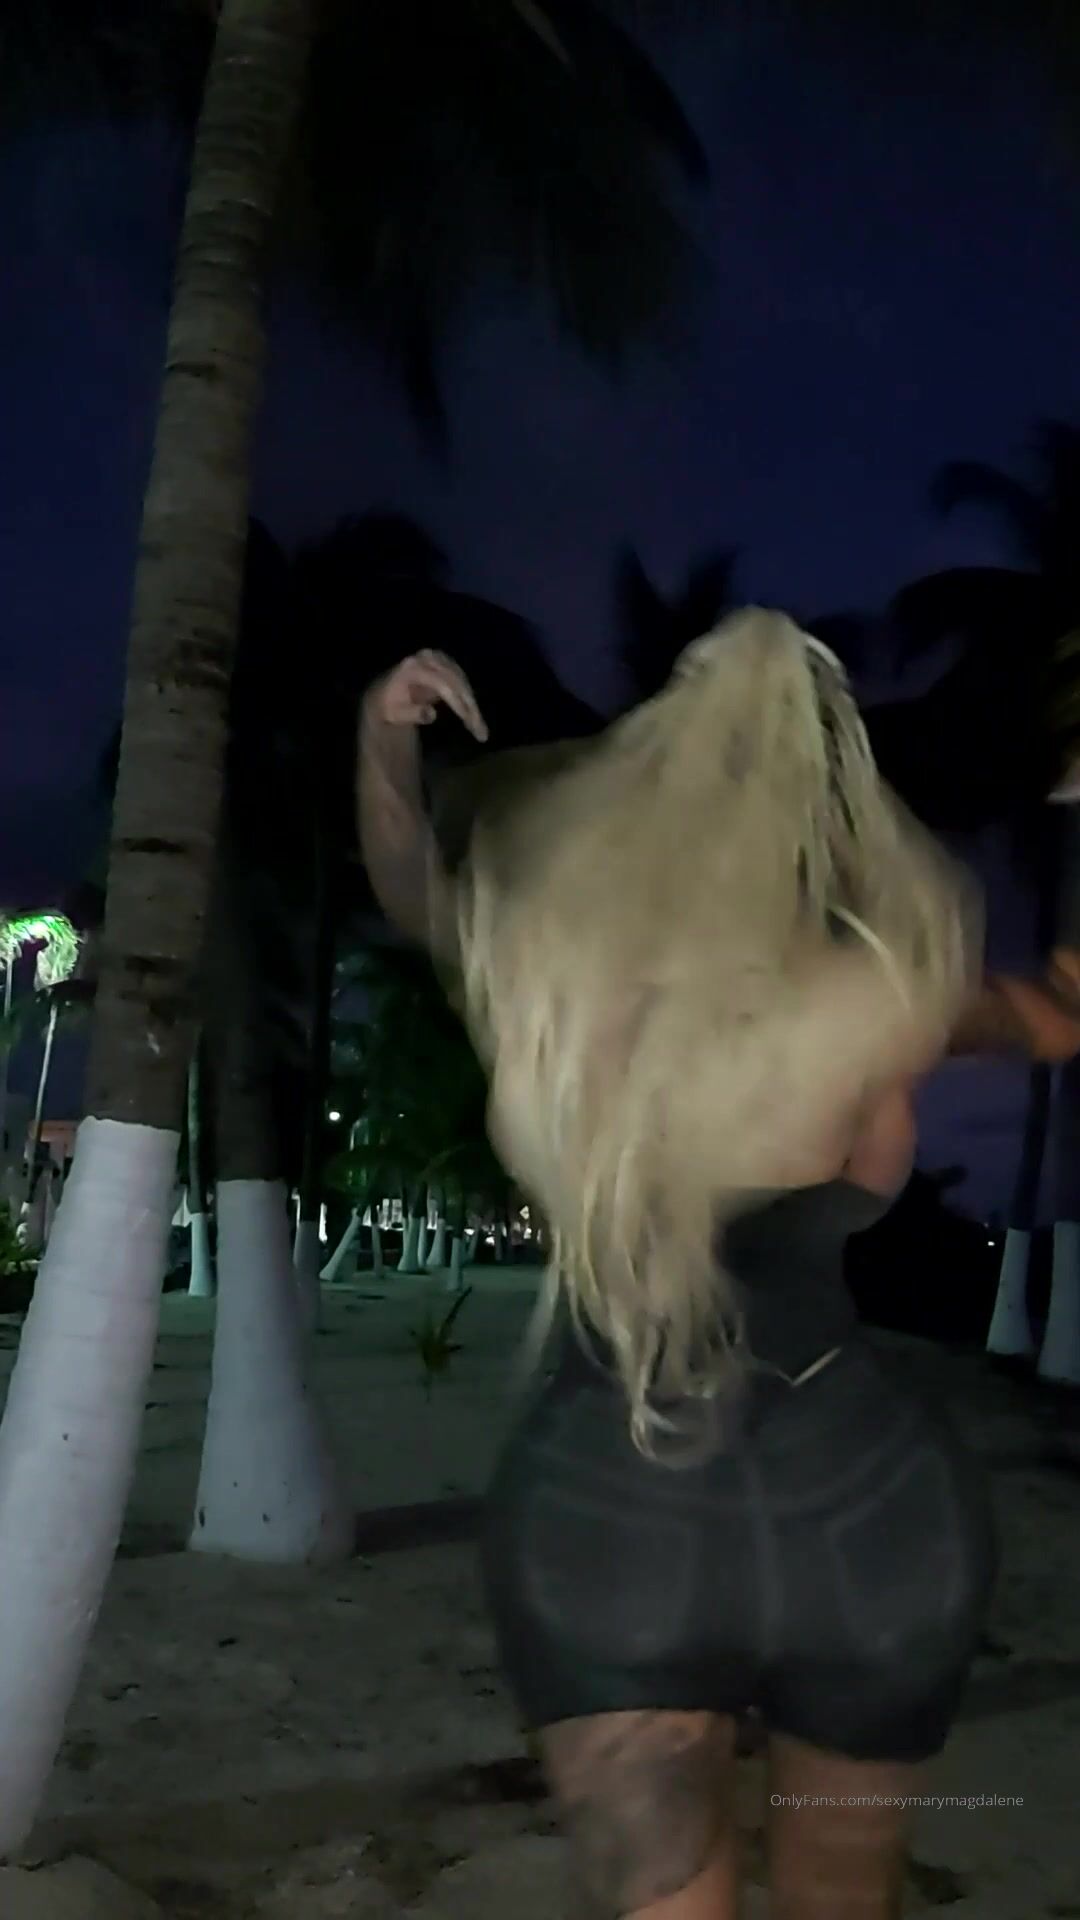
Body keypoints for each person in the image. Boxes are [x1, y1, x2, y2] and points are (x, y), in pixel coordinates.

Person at [357, 619, 1080, 1920]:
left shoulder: (557, 976)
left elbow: (414, 883)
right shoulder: (882, 984)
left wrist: (383, 740)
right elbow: (1063, 1014)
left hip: (614, 1502)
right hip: (870, 1506)